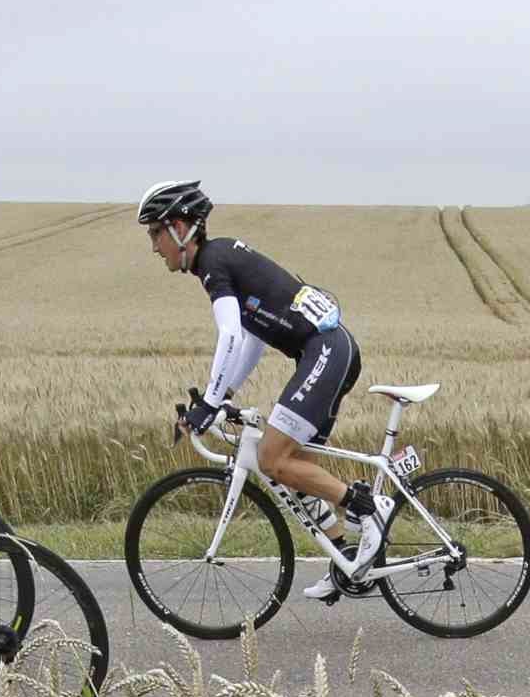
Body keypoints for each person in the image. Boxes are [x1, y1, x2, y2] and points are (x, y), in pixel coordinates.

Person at [139, 181, 379, 601]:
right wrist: (224, 392)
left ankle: (366, 507)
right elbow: (252, 339)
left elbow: (229, 334)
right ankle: (346, 559)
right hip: (328, 351)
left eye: (155, 234)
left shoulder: (214, 263)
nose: (155, 247)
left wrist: (211, 402)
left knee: (272, 458)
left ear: (178, 227)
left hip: (324, 351)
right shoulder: (219, 258)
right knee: (295, 469)